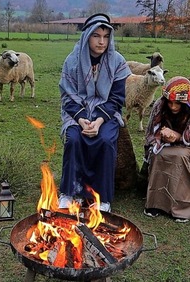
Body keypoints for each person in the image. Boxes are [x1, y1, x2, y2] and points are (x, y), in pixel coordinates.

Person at [58, 13, 132, 212]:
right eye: (96, 36)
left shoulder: (117, 61)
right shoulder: (72, 61)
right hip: (77, 111)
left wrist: (98, 121)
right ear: (87, 36)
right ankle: (70, 192)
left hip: (105, 112)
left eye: (106, 36)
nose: (102, 41)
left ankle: (101, 197)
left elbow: (117, 98)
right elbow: (67, 95)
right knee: (74, 139)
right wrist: (82, 120)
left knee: (106, 140)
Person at [142, 76, 190, 223]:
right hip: (164, 145)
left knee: (179, 157)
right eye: (170, 102)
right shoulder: (159, 106)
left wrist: (178, 136)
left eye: (178, 103)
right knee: (157, 154)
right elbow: (151, 133)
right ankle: (155, 204)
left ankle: (182, 208)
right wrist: (162, 135)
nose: (173, 107)